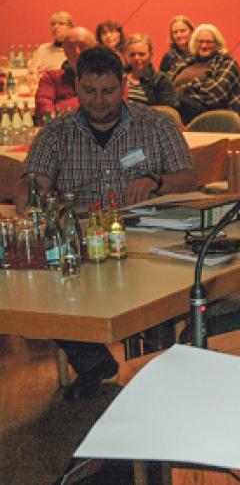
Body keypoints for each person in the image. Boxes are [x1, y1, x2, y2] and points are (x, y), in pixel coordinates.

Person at [17, 46, 195, 401]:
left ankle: (158, 367)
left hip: (146, 235)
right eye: (89, 91)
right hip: (81, 240)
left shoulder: (157, 125)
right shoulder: (56, 133)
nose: (98, 101)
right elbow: (30, 190)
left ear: (124, 87)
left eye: (108, 91)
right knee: (46, 282)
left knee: (161, 286)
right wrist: (38, 195)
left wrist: (156, 182)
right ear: (77, 87)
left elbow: (189, 177)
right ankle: (93, 361)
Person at [165, 23, 240, 127]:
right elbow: (166, 84)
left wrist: (184, 90)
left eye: (209, 42)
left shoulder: (226, 61)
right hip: (176, 105)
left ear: (218, 44)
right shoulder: (185, 62)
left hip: (206, 110)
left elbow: (214, 94)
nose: (204, 46)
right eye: (200, 42)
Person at [34, 27, 97, 118]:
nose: (77, 52)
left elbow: (114, 113)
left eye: (83, 46)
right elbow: (45, 116)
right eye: (71, 47)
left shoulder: (110, 78)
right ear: (64, 51)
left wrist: (60, 107)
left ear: (95, 49)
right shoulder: (51, 78)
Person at [123, 34, 179, 109]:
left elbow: (169, 111)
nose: (136, 58)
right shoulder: (119, 77)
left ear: (150, 55)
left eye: (141, 54)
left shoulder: (160, 79)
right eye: (132, 55)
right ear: (126, 56)